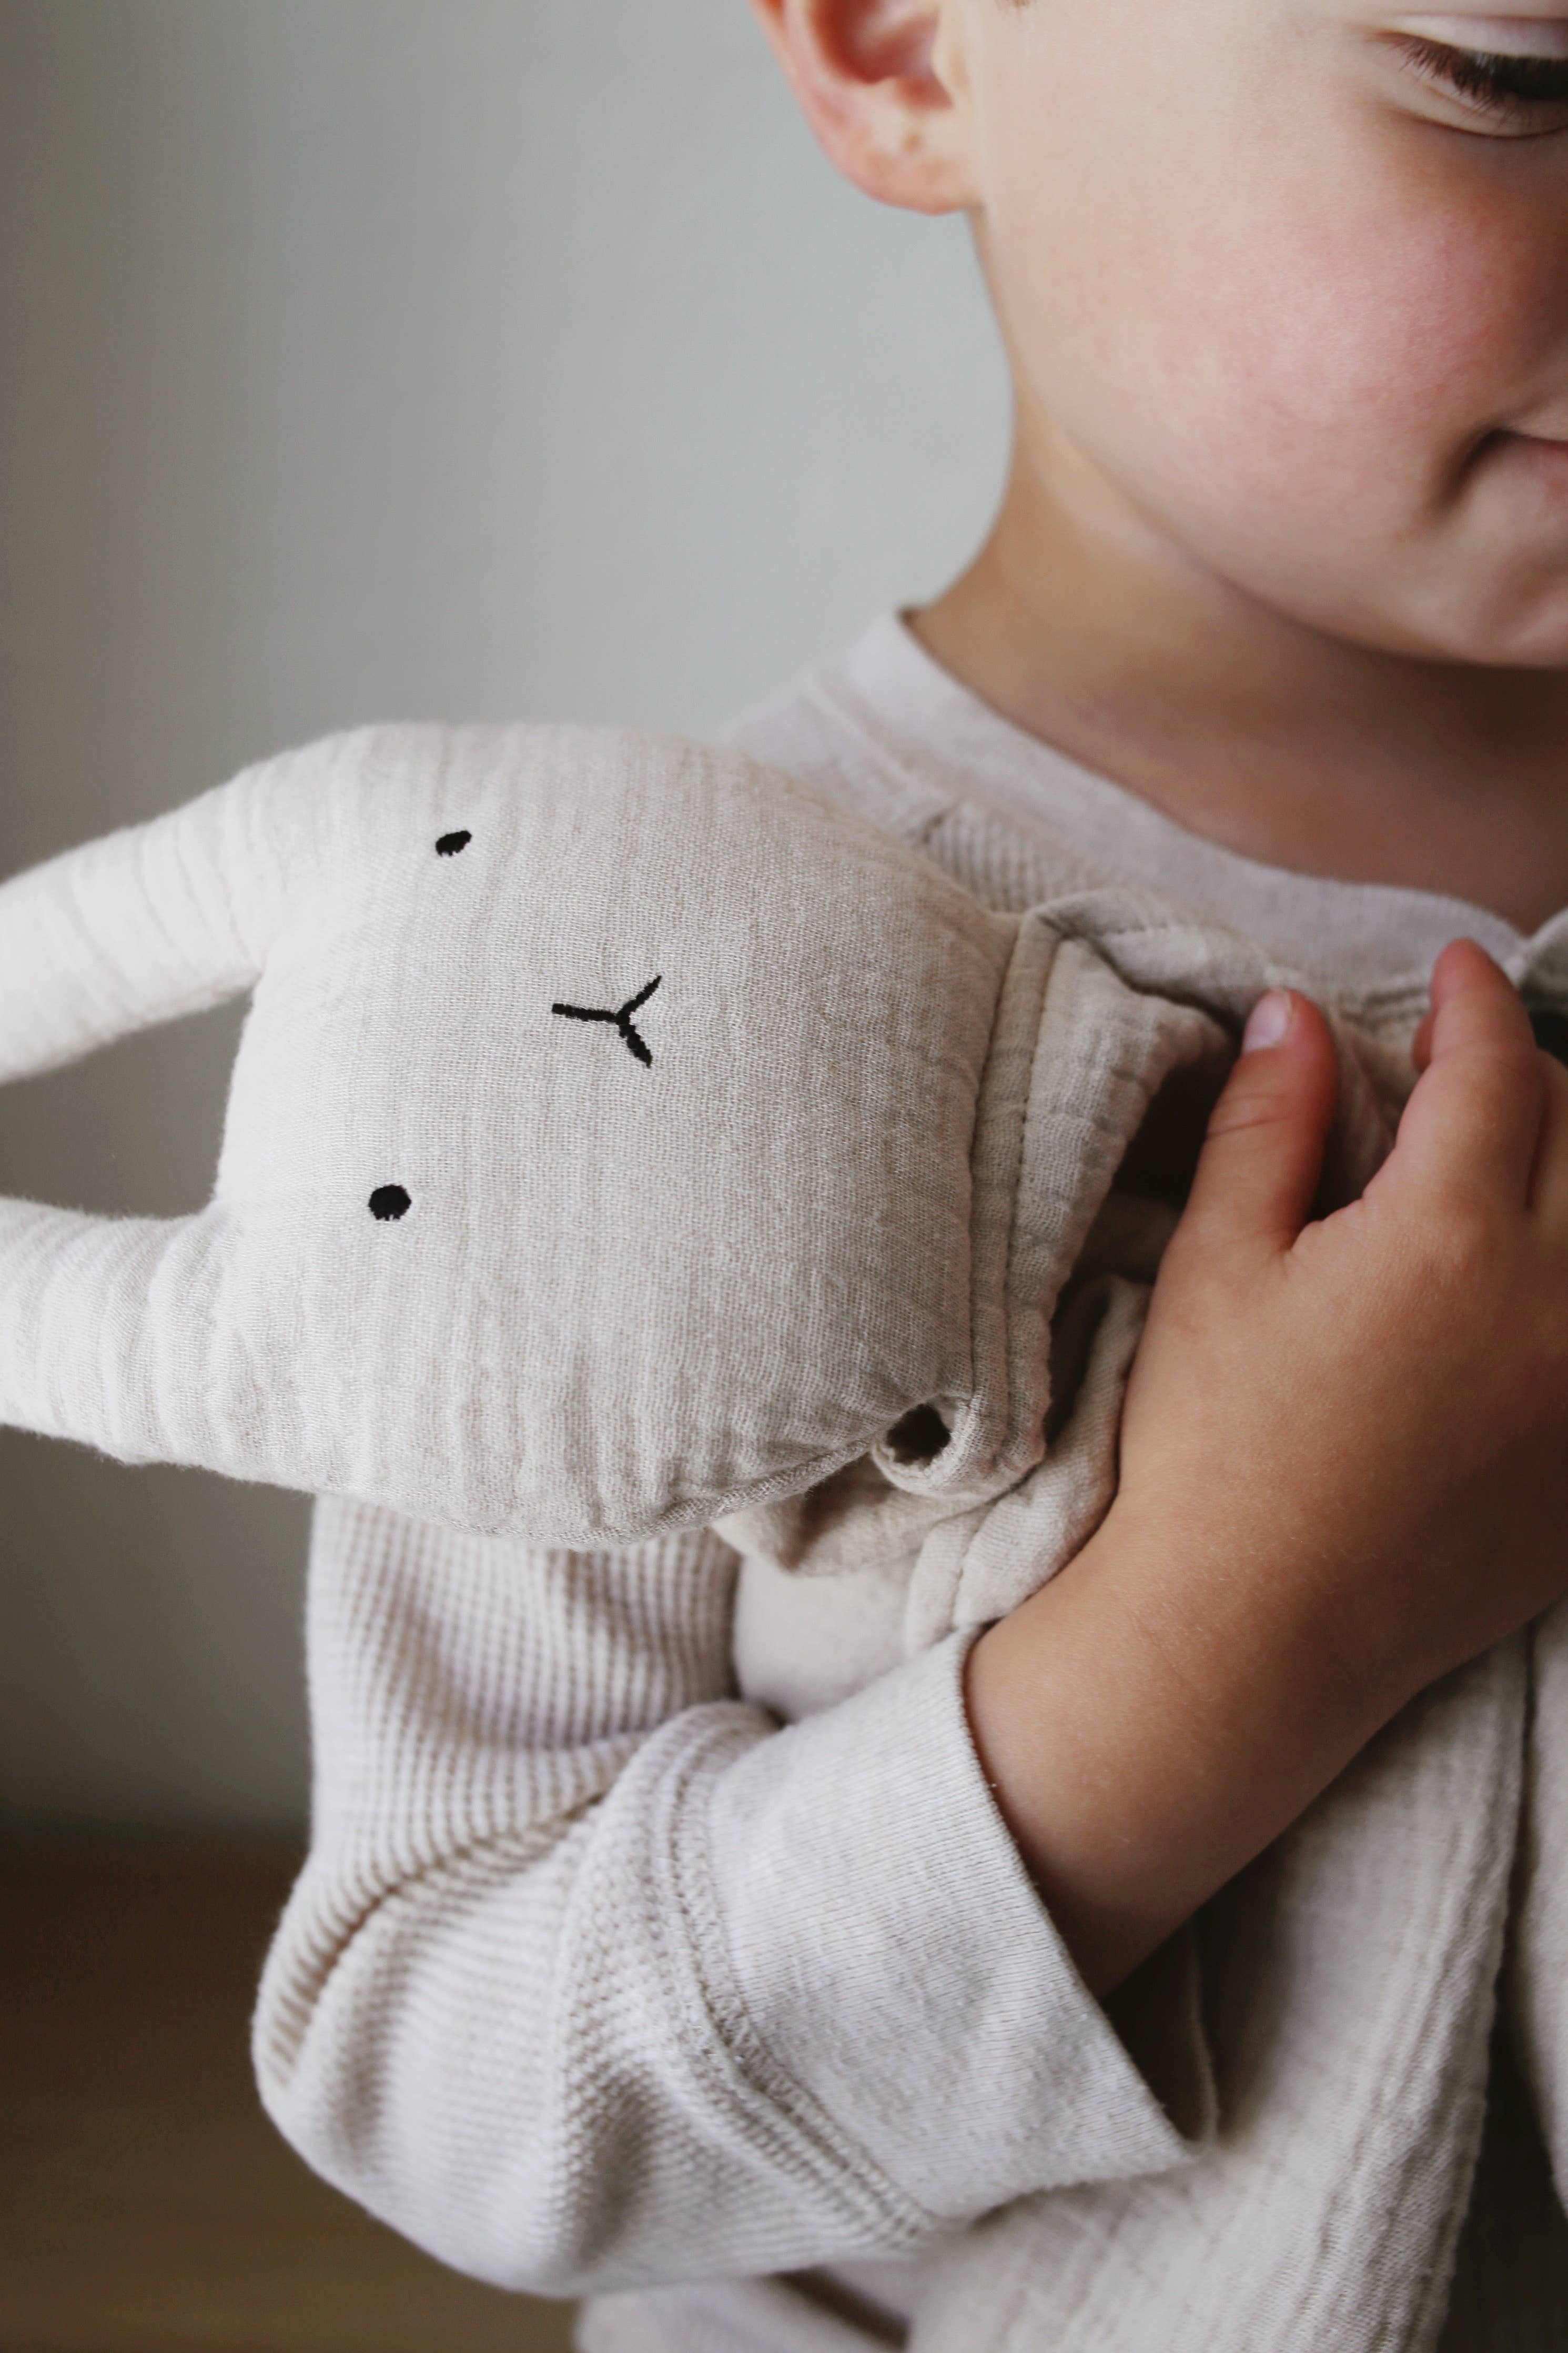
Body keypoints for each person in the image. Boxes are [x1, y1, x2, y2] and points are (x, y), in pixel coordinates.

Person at [251, 4, 1568, 2346]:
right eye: (1514, 73)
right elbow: (457, 2063)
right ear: (903, 47)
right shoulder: (601, 995)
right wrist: (1237, 1626)